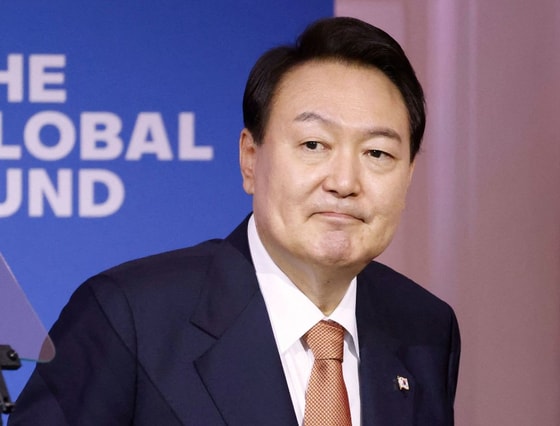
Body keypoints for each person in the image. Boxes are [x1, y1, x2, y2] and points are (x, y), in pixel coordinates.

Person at [9, 16, 460, 426]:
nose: (344, 182)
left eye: (377, 153)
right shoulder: (128, 317)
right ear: (250, 158)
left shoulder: (425, 328)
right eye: (313, 145)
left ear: (408, 176)